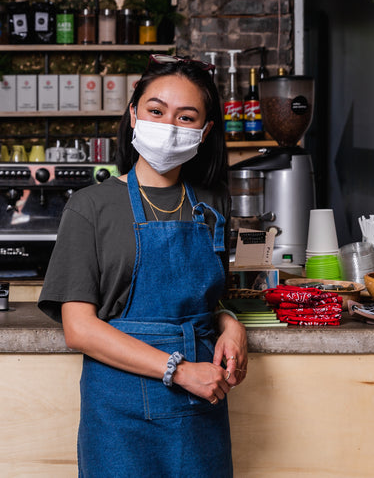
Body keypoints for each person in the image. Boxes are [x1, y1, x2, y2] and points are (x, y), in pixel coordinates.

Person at [38, 54, 248, 477]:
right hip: (121, 410)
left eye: (186, 117)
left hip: (201, 400)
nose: (169, 126)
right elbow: (79, 328)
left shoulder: (214, 203)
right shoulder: (89, 207)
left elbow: (208, 297)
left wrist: (229, 323)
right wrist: (180, 371)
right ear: (133, 114)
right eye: (156, 111)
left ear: (205, 131)